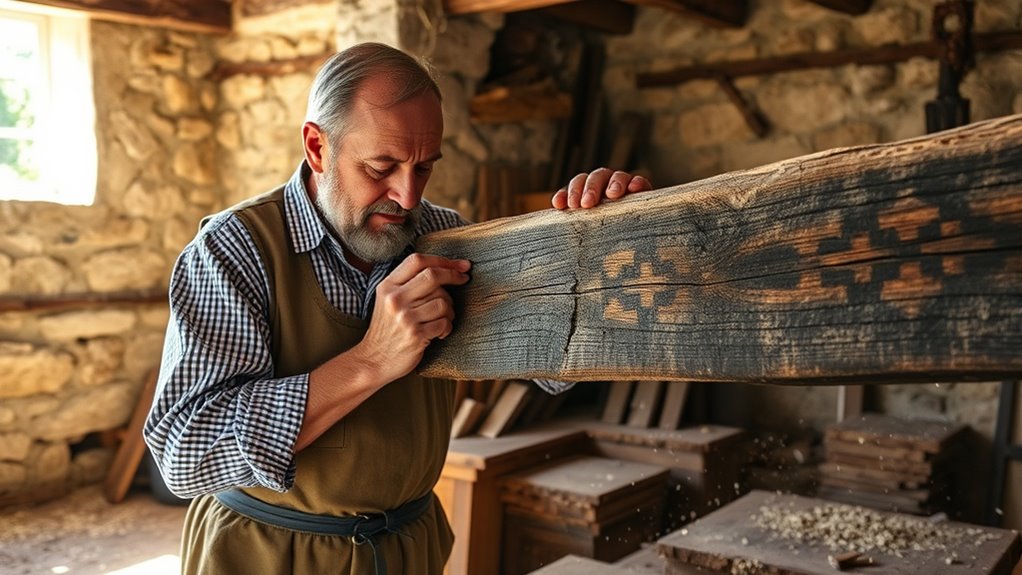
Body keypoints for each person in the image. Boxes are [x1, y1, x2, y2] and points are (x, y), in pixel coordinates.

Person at [144, 41, 652, 574]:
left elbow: (554, 371)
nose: (408, 197)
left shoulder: (444, 235)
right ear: (317, 147)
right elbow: (185, 454)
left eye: (424, 167)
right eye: (381, 166)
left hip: (407, 550)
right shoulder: (235, 250)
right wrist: (371, 360)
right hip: (268, 555)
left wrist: (607, 248)